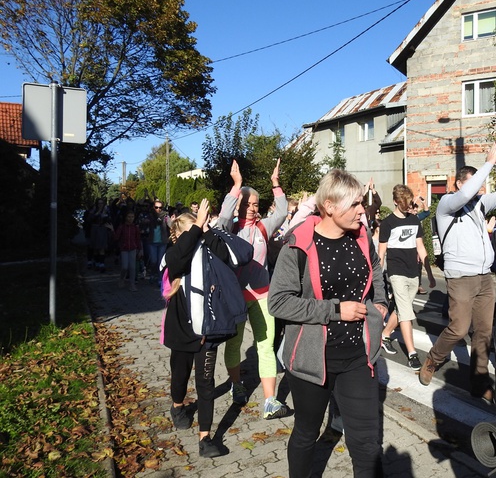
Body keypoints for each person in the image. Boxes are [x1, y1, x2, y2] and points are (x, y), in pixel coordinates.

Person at [268, 168, 388, 478]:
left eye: (362, 203)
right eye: (355, 205)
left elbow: (375, 266)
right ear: (330, 207)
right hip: (311, 360)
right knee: (307, 433)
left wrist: (381, 302)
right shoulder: (298, 244)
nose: (362, 211)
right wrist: (336, 310)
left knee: (366, 442)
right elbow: (278, 302)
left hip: (359, 358)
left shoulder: (361, 236)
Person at [419, 139, 496, 404]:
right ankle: (433, 359)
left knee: (484, 333)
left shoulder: (480, 204)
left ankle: (479, 381)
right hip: (461, 278)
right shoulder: (448, 204)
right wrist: (487, 163)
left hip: (484, 277)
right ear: (460, 183)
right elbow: (464, 195)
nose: (479, 189)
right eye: (474, 183)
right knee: (459, 329)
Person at [161, 199, 243, 458]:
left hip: (208, 330)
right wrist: (196, 227)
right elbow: (178, 258)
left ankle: (205, 438)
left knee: (205, 383)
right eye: (192, 232)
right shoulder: (171, 255)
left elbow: (230, 256)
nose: (197, 236)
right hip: (181, 330)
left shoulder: (206, 247)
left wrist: (206, 230)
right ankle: (177, 406)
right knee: (180, 374)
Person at [217, 159, 290, 420]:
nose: (250, 208)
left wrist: (275, 184)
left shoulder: (263, 227)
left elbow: (281, 212)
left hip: (262, 295)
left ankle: (270, 401)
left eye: (255, 204)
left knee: (265, 345)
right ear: (239, 205)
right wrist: (236, 186)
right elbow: (223, 217)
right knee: (234, 344)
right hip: (235, 298)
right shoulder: (229, 229)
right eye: (246, 204)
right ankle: (236, 386)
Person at [379, 184, 435, 370]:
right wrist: (377, 278)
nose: (407, 206)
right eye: (403, 203)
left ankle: (385, 334)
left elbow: (420, 247)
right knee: (406, 313)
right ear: (395, 202)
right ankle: (412, 354)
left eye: (409, 203)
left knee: (404, 309)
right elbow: (381, 253)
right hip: (396, 272)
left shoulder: (414, 220)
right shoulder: (387, 223)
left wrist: (430, 273)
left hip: (413, 272)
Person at [113, 210, 142, 291]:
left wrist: (140, 249)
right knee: (125, 267)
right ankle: (122, 279)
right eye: (129, 217)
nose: (130, 219)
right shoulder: (122, 227)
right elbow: (116, 237)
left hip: (133, 248)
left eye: (132, 217)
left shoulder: (135, 227)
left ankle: (132, 284)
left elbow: (138, 239)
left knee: (132, 267)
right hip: (124, 249)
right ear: (125, 217)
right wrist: (112, 230)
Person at [148, 199, 170, 285]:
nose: (158, 209)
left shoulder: (165, 216)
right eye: (156, 207)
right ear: (153, 207)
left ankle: (160, 278)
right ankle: (152, 274)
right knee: (153, 260)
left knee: (160, 261)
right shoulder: (150, 216)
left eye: (160, 207)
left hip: (162, 241)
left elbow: (171, 225)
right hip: (152, 241)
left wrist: (174, 221)